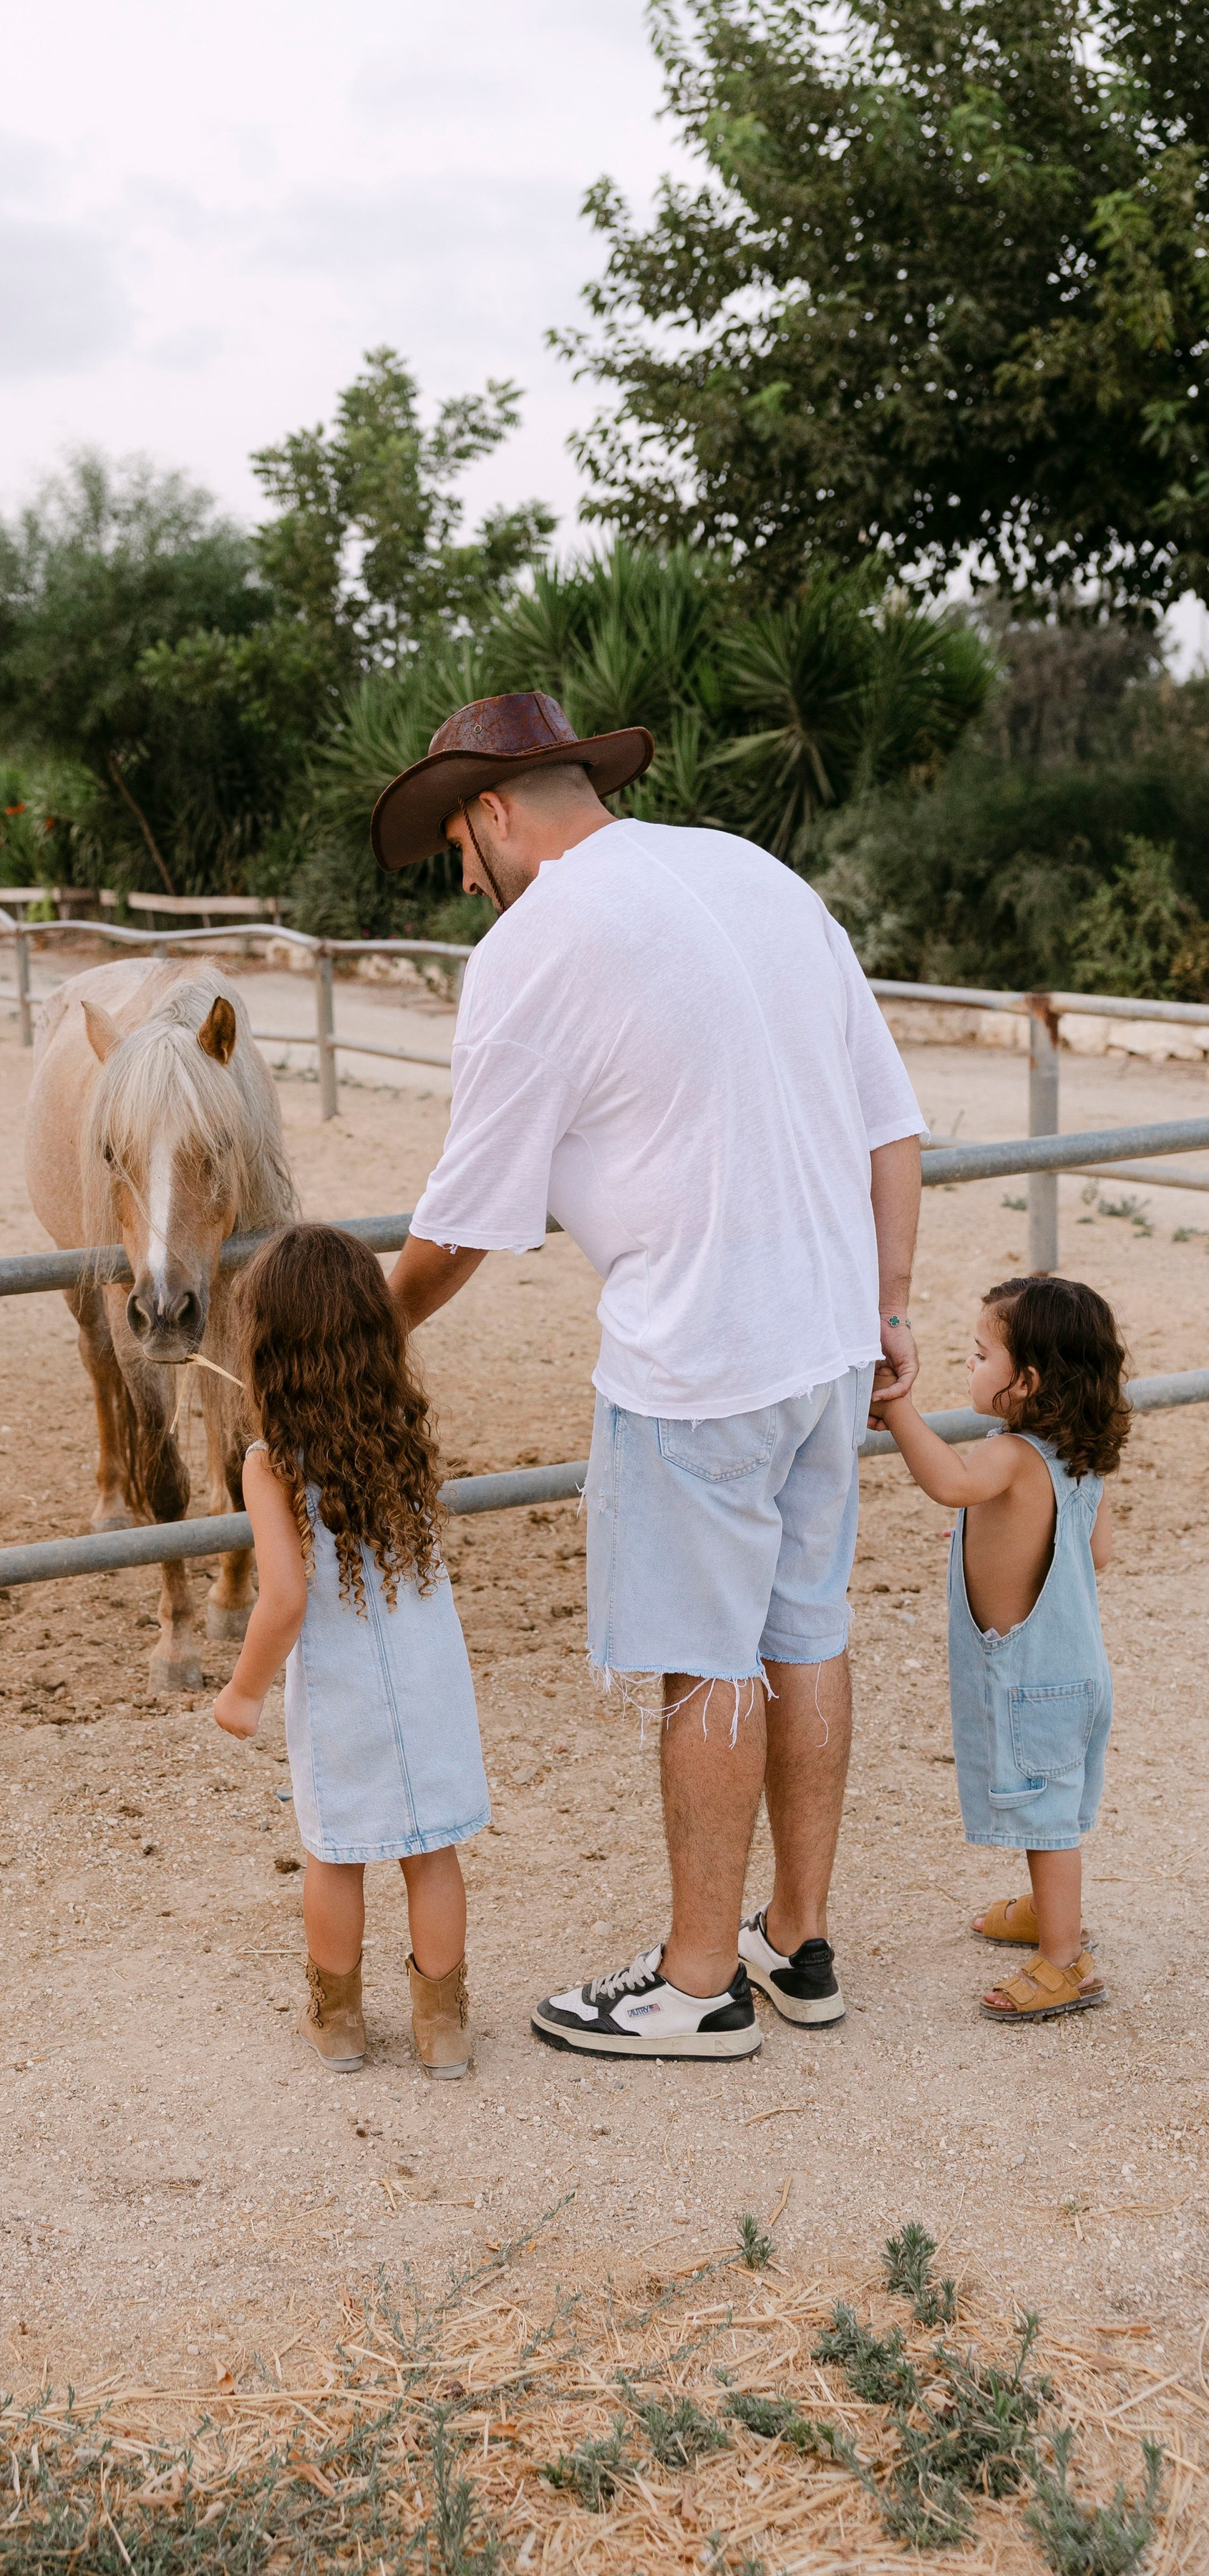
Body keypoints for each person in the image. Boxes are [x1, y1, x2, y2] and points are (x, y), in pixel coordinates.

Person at [368, 690, 925, 2060]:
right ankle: (796, 1943)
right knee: (808, 1627)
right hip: (826, 1336)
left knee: (703, 1656)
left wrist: (349, 1331)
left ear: (492, 812)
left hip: (701, 1358)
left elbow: (462, 1228)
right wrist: (891, 1305)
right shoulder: (753, 871)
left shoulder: (537, 942)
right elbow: (890, 1118)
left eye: (457, 847)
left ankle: (693, 1985)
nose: (466, 877)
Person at [210, 1221, 490, 2079]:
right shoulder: (399, 1434)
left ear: (270, 1346)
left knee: (335, 1852)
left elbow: (286, 1596)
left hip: (343, 1691)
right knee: (428, 1848)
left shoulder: (272, 1463)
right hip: (429, 1680)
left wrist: (245, 1690)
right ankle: (441, 2031)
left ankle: (337, 2026)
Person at [875, 1275, 1125, 2023]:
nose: (968, 1365)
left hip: (1032, 1679)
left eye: (979, 1354)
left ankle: (1062, 1961)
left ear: (1028, 1379)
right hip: (1073, 1667)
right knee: (1051, 1804)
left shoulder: (1013, 1457)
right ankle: (1051, 1916)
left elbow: (950, 1483)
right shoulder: (1076, 1461)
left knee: (1044, 1818)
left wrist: (898, 1409)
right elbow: (1097, 1554)